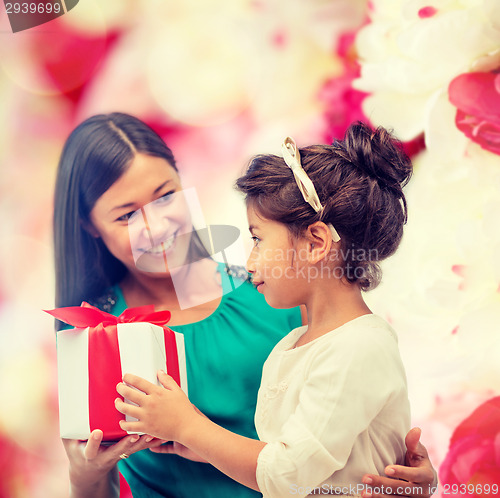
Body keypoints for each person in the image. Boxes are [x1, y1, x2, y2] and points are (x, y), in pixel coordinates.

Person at [54, 113, 437, 498]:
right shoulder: (96, 335)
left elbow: (354, 410)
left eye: (166, 195)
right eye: (126, 215)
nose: (157, 226)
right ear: (90, 225)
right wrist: (83, 475)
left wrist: (407, 471)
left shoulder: (284, 287)